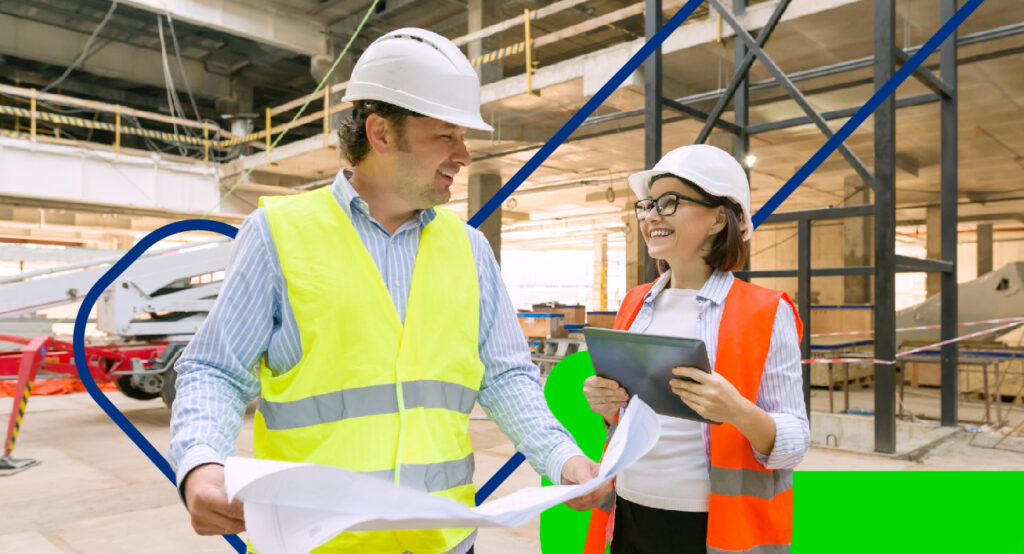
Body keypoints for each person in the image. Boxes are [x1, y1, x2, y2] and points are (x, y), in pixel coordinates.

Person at [168, 28, 610, 554]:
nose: (463, 154)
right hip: (321, 542)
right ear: (380, 133)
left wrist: (560, 457)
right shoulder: (278, 235)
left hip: (443, 542)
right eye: (446, 134)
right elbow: (215, 369)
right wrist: (201, 463)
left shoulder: (468, 249)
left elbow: (505, 375)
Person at [582, 144, 808, 554]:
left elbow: (794, 442)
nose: (651, 216)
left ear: (719, 217)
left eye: (670, 202)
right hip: (629, 512)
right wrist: (606, 404)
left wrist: (736, 410)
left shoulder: (767, 310)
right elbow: (630, 420)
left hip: (711, 527)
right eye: (648, 205)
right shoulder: (634, 304)